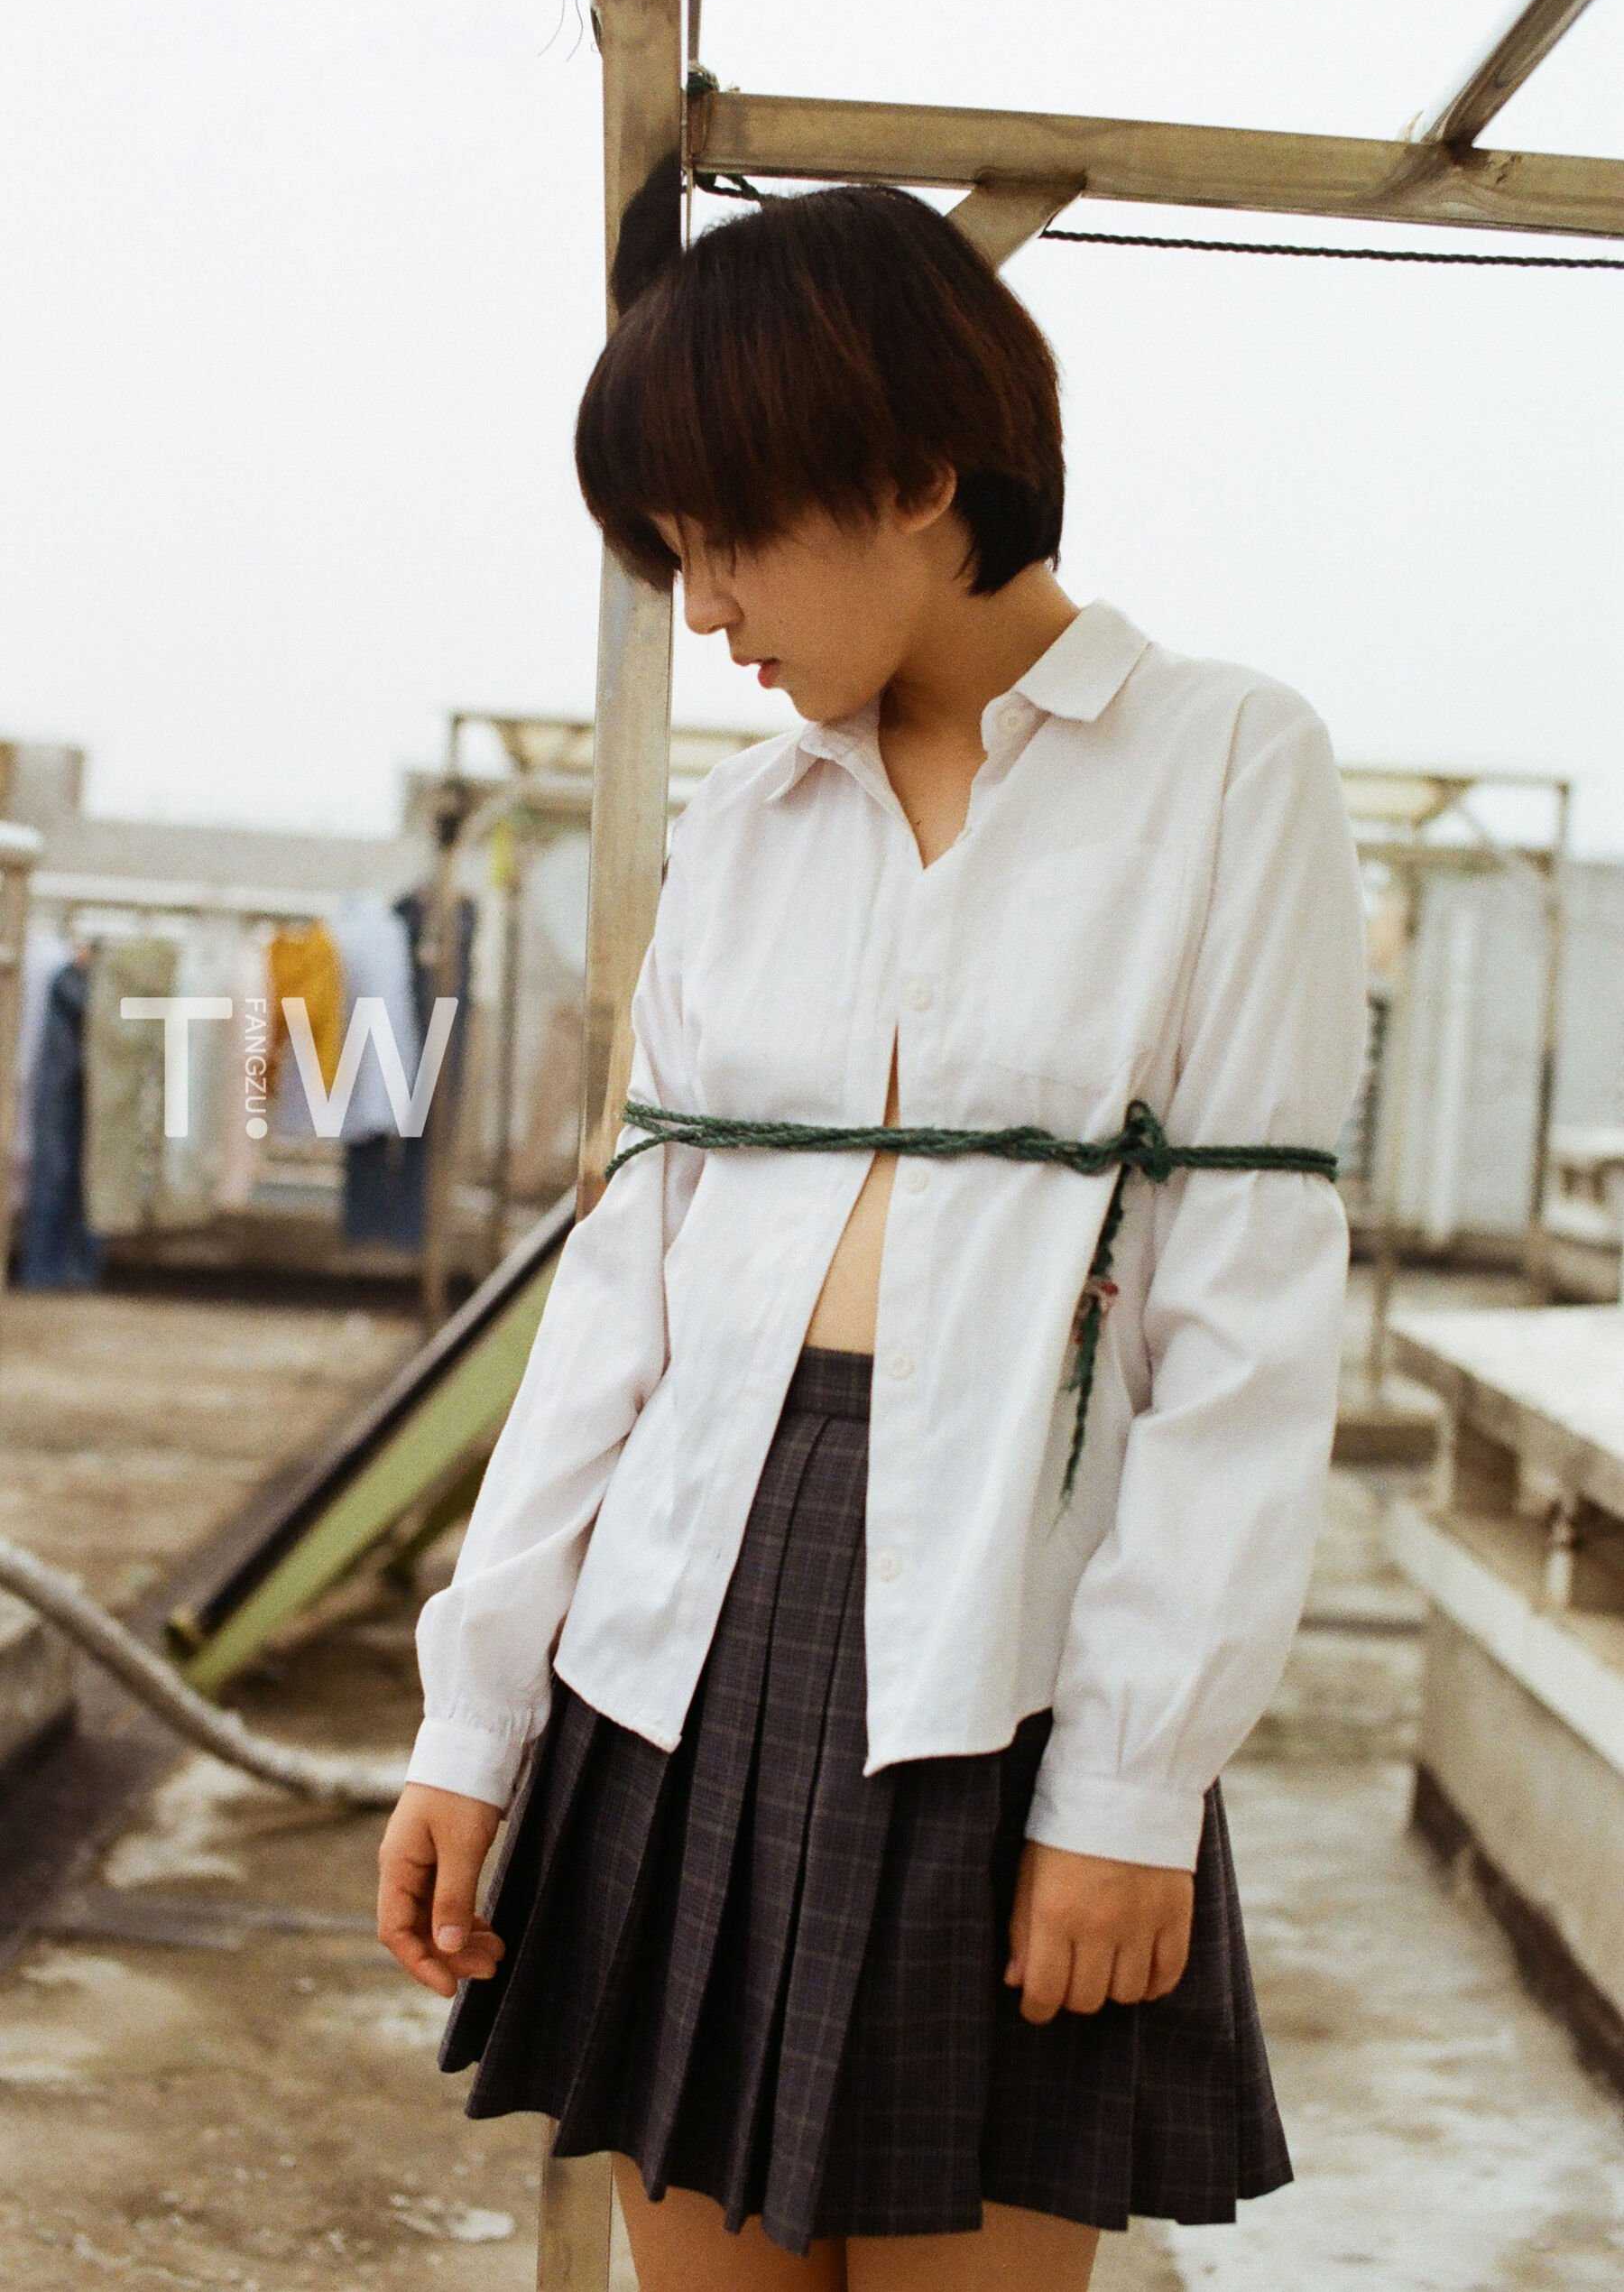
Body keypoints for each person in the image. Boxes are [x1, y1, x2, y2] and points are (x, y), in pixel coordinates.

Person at [377, 167, 1370, 2290]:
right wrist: (478, 1716)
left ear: (920, 474)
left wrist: (1132, 1781)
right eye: (672, 552)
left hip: (1005, 1654)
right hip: (678, 1639)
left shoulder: (1224, 767)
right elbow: (621, 1305)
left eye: (726, 537)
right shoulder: (748, 823)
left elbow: (1247, 1327)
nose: (703, 609)